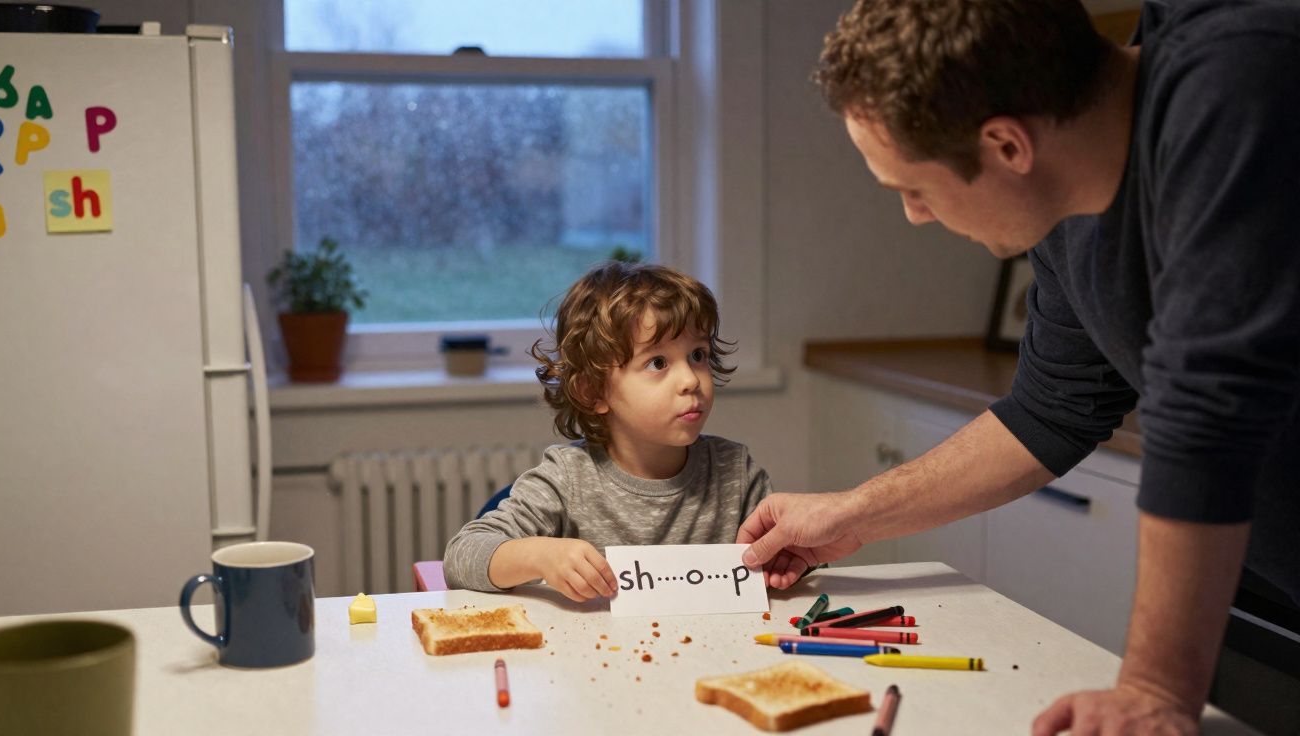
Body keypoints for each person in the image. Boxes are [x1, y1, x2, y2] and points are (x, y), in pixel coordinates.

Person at [737, 0, 1300, 734]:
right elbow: (1050, 411)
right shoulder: (1069, 211)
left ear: (1006, 145)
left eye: (913, 188)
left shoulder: (1240, 84)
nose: (914, 214)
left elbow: (1207, 410)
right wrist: (852, 513)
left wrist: (1154, 688)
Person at [444, 261, 773, 602]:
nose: (690, 380)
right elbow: (461, 556)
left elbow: (792, 566)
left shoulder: (735, 472)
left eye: (697, 355)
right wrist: (540, 556)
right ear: (593, 392)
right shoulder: (567, 479)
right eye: (658, 362)